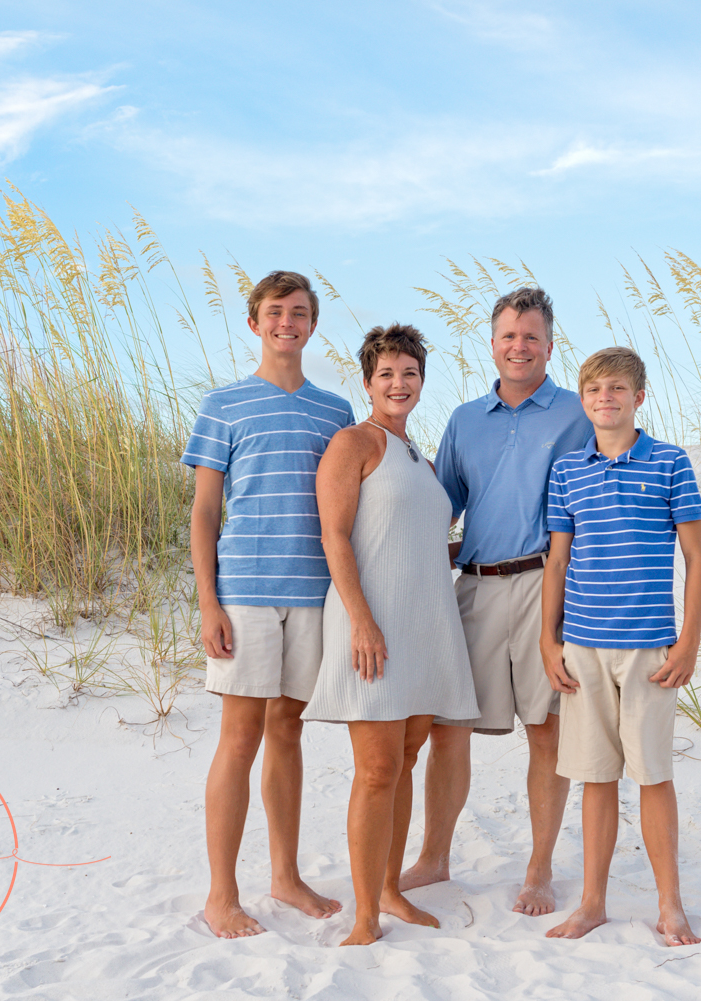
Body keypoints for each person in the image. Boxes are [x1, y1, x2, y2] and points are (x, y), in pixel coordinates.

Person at [400, 287, 593, 916]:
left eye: (531, 335)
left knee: (545, 730)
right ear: (492, 344)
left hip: (548, 587)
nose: (520, 346)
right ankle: (434, 857)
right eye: (508, 335)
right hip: (477, 587)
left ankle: (539, 869)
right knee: (448, 727)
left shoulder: (577, 412)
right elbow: (440, 508)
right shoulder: (462, 420)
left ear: (550, 344)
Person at [183, 270, 353, 939]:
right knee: (240, 737)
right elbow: (203, 512)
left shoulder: (335, 411)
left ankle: (285, 874)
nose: (288, 322)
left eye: (300, 312)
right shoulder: (223, 405)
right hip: (245, 594)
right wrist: (208, 602)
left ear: (313, 324)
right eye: (276, 311)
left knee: (289, 730)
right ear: (254, 322)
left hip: (312, 596)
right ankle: (221, 893)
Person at [303, 323, 479, 945]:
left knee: (404, 762)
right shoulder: (355, 442)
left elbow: (417, 537)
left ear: (422, 381)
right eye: (386, 374)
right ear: (368, 382)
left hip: (425, 624)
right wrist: (361, 621)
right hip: (371, 626)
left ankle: (389, 889)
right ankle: (364, 916)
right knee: (376, 769)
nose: (398, 383)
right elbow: (335, 535)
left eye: (409, 374)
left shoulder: (420, 458)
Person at [540, 346, 701, 948]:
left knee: (653, 774)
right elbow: (558, 559)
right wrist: (548, 638)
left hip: (648, 649)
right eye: (593, 390)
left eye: (616, 389)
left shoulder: (669, 463)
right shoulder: (567, 471)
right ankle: (592, 903)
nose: (604, 400)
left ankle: (670, 904)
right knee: (594, 777)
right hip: (583, 645)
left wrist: (687, 641)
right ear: (581, 399)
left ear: (640, 397)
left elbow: (695, 557)